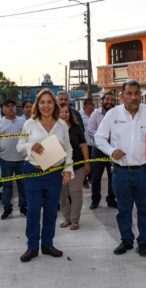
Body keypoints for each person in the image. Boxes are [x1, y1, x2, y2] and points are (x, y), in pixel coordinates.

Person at [95, 80, 146, 257]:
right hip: (121, 171)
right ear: (122, 96)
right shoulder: (113, 114)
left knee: (144, 208)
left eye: (137, 93)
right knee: (124, 209)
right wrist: (112, 151)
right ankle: (126, 240)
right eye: (130, 93)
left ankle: (143, 242)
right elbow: (99, 138)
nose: (134, 97)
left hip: (145, 169)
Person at [17, 89, 73, 262]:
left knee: (51, 211)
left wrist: (67, 169)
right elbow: (20, 146)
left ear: (54, 104)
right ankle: (32, 247)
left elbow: (68, 148)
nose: (46, 105)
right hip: (33, 171)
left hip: (54, 173)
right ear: (37, 104)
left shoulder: (62, 125)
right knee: (33, 211)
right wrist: (30, 146)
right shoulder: (29, 124)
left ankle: (47, 245)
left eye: (49, 102)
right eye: (42, 102)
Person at [59, 105, 90, 230]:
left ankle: (74, 220)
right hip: (59, 167)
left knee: (75, 192)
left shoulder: (77, 128)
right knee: (63, 194)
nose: (64, 114)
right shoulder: (53, 129)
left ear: (70, 114)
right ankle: (66, 219)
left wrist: (87, 162)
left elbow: (83, 146)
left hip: (77, 165)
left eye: (66, 112)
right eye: (61, 112)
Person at [88, 92, 117, 209]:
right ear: (102, 101)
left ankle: (111, 200)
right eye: (107, 100)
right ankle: (95, 200)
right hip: (98, 150)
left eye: (112, 100)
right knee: (96, 178)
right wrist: (103, 138)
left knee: (113, 177)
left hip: (112, 150)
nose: (109, 102)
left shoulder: (117, 114)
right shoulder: (95, 114)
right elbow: (90, 130)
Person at [0, 99, 27, 219]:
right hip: (5, 159)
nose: (10, 108)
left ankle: (23, 207)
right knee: (7, 185)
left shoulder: (23, 121)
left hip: (21, 159)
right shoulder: (0, 122)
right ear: (3, 109)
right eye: (7, 106)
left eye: (13, 106)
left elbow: (28, 138)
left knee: (23, 185)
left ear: (16, 108)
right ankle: (7, 208)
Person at [80, 98, 95, 189]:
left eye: (93, 106)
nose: (92, 108)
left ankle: (90, 178)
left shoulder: (94, 115)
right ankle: (84, 179)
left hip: (92, 144)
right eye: (91, 106)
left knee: (92, 162)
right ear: (85, 106)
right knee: (83, 162)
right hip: (83, 144)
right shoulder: (80, 115)